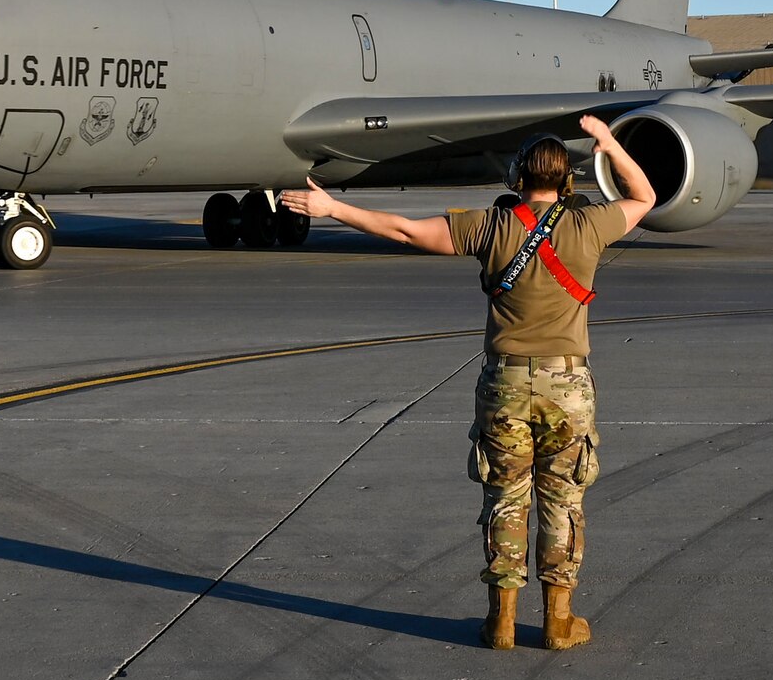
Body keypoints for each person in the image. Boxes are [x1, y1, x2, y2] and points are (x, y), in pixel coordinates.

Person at [278, 113, 655, 650]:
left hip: (505, 382)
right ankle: (558, 619)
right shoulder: (589, 224)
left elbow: (405, 230)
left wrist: (333, 208)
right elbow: (645, 196)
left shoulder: (490, 226)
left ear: (517, 176)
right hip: (567, 386)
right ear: (567, 179)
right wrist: (610, 144)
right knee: (563, 500)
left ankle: (501, 620)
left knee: (505, 498)